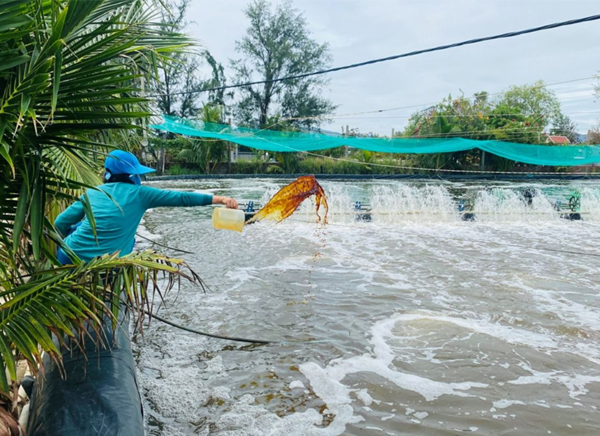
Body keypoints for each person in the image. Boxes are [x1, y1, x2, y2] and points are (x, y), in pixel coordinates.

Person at [55, 150, 238, 264]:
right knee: (130, 241)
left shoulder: (93, 192)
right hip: (105, 265)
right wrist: (221, 199)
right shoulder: (141, 194)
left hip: (66, 256)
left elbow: (60, 222)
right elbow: (181, 198)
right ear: (132, 175)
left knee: (79, 227)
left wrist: (69, 234)